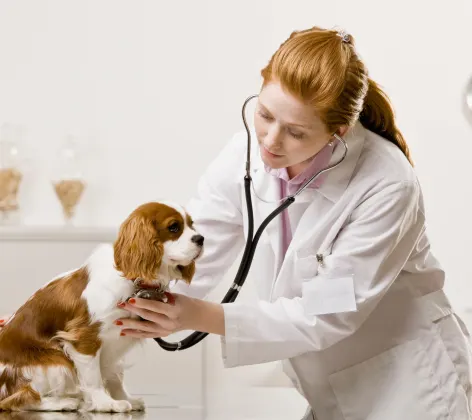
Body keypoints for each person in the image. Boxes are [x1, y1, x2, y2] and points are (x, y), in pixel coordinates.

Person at [2, 26, 472, 419]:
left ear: (338, 132)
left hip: (411, 388)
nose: (269, 139)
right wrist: (41, 329)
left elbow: (327, 313)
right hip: (325, 385)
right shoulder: (249, 149)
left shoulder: (387, 183)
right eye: (264, 114)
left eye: (296, 132)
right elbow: (194, 252)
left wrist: (196, 315)